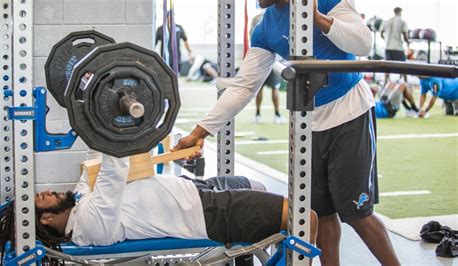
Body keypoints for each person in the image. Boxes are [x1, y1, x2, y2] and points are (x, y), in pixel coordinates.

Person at [173, 0, 400, 265]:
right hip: (308, 121)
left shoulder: (327, 2)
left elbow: (362, 44)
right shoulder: (265, 27)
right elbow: (244, 87)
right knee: (320, 213)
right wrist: (200, 132)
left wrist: (315, 16)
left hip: (349, 112)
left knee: (357, 213)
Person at [0, 151, 318, 265]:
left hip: (198, 193)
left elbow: (93, 169)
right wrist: (118, 122)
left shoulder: (79, 208)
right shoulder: (90, 222)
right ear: (47, 218)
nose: (47, 191)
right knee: (306, 217)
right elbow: (113, 168)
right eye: (42, 198)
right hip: (210, 214)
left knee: (258, 187)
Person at [250, 10, 285, 124]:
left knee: (273, 88)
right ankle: (260, 114)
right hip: (264, 59)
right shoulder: (258, 18)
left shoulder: (278, 16)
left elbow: (252, 37)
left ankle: (272, 114)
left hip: (271, 60)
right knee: (265, 88)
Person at [380, 7, 409, 82]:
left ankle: (385, 83)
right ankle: (406, 83)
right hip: (398, 47)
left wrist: (386, 40)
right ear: (400, 12)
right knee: (403, 67)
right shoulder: (402, 21)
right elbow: (405, 36)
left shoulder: (387, 21)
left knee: (387, 67)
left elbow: (381, 33)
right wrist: (408, 42)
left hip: (388, 47)